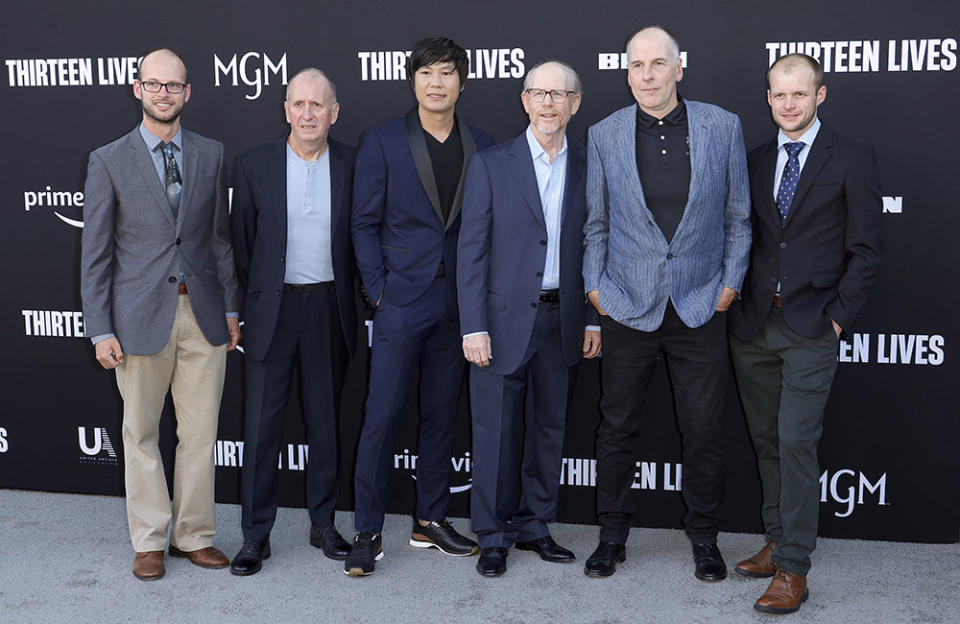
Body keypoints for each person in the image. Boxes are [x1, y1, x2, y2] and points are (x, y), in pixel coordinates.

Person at [582, 26, 751, 581]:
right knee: (617, 427)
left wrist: (730, 283)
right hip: (628, 303)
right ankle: (612, 536)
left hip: (701, 303)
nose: (647, 75)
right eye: (637, 65)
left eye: (658, 64)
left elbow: (738, 218)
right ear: (626, 71)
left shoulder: (721, 126)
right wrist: (595, 289)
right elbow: (597, 223)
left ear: (679, 69)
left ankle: (704, 539)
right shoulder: (604, 133)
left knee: (703, 428)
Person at [728, 53, 881, 614]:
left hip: (812, 325)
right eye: (778, 95)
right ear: (767, 97)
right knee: (767, 440)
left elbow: (865, 251)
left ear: (821, 95)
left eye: (799, 94)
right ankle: (776, 540)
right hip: (752, 325)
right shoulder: (756, 159)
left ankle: (794, 567)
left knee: (795, 441)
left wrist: (838, 316)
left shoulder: (852, 159)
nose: (787, 104)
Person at [80, 48, 241, 581]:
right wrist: (100, 327)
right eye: (154, 84)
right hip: (137, 318)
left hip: (203, 315)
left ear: (187, 92)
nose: (164, 93)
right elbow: (96, 253)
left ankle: (193, 535)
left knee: (200, 432)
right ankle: (149, 539)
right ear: (137, 89)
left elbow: (219, 241)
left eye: (173, 85)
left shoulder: (211, 154)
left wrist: (232, 308)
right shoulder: (108, 159)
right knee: (141, 432)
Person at [348, 36, 494, 576]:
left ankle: (429, 519)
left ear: (462, 82)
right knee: (381, 416)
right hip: (401, 301)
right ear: (413, 80)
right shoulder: (383, 141)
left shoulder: (482, 143)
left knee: (440, 415)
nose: (437, 82)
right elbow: (362, 222)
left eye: (448, 73)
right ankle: (366, 530)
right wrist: (379, 291)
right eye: (428, 72)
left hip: (458, 303)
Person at [458, 61, 601, 577]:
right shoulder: (492, 164)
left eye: (559, 95)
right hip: (498, 324)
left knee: (549, 429)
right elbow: (470, 251)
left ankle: (535, 525)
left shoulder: (589, 165)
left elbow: (594, 245)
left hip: (563, 318)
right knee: (494, 432)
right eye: (538, 93)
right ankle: (493, 535)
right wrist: (472, 325)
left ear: (574, 105)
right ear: (524, 101)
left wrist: (593, 318)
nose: (548, 103)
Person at [228, 68, 357, 576]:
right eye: (298, 104)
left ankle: (323, 524)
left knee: (326, 425)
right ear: (286, 110)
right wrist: (247, 305)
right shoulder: (253, 164)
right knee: (261, 429)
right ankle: (255, 536)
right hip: (271, 314)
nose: (307, 114)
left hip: (328, 309)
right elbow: (241, 245)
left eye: (317, 105)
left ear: (333, 113)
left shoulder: (353, 163)